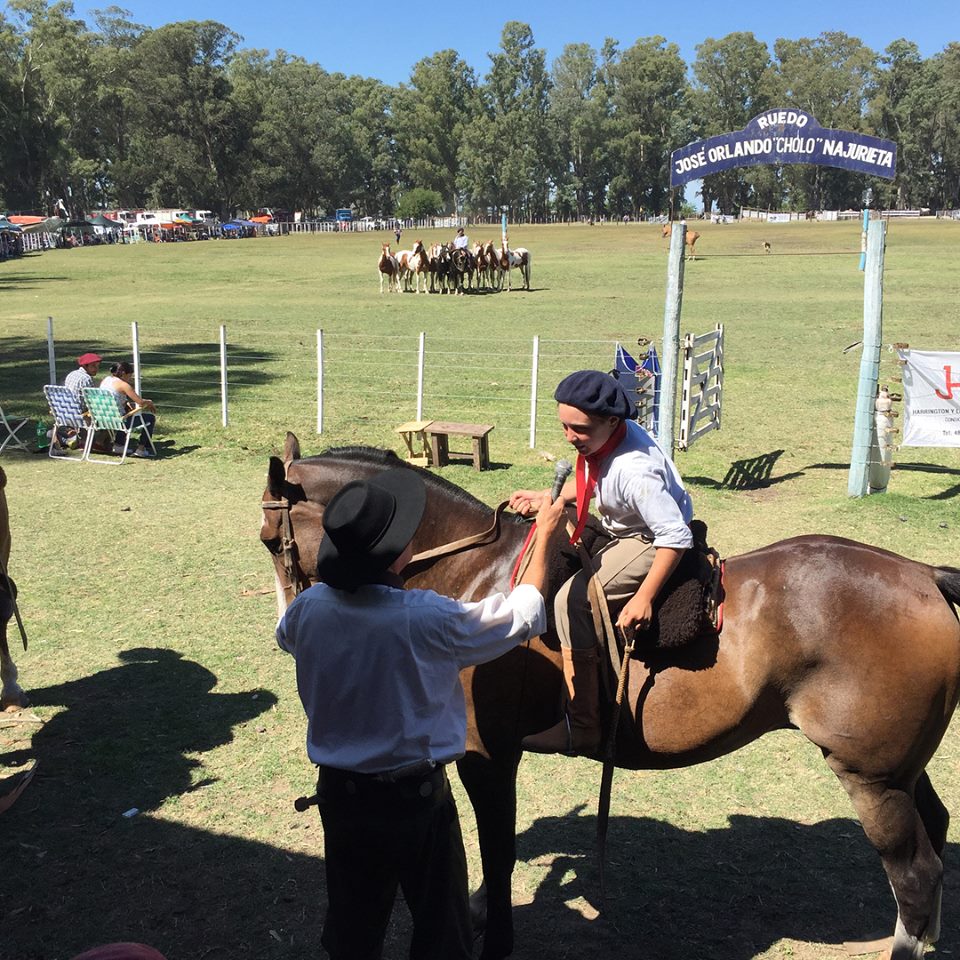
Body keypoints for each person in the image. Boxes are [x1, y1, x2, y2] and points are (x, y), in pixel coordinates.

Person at [276, 467, 567, 960]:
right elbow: (523, 613)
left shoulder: (306, 611)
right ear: (398, 554)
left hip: (342, 799)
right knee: (442, 934)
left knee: (352, 933)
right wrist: (545, 536)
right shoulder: (427, 617)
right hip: (415, 803)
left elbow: (287, 638)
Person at [509, 369, 694, 757]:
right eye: (564, 426)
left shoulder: (636, 470)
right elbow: (595, 479)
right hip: (624, 521)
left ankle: (583, 726)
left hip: (648, 538)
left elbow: (675, 536)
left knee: (570, 601)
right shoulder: (609, 438)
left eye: (579, 429)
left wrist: (644, 597)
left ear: (611, 421)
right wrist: (552, 497)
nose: (569, 437)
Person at [99, 361, 157, 458]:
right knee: (150, 418)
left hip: (103, 419)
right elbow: (140, 402)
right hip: (119, 421)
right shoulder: (124, 385)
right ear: (123, 373)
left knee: (125, 414)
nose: (130, 378)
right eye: (130, 375)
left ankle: (119, 445)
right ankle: (141, 448)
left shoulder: (106, 380)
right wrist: (149, 402)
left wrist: (126, 403)